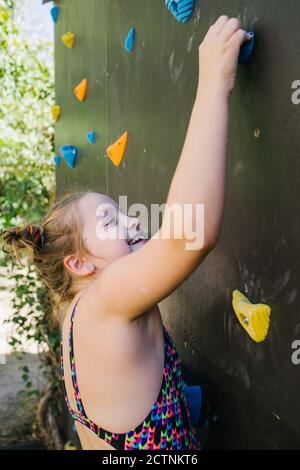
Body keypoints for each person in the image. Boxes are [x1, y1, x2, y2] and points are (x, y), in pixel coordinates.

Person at [2, 15, 250, 450]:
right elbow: (186, 234)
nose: (133, 222)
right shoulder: (106, 297)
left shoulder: (77, 315)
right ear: (79, 263)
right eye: (111, 221)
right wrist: (213, 83)